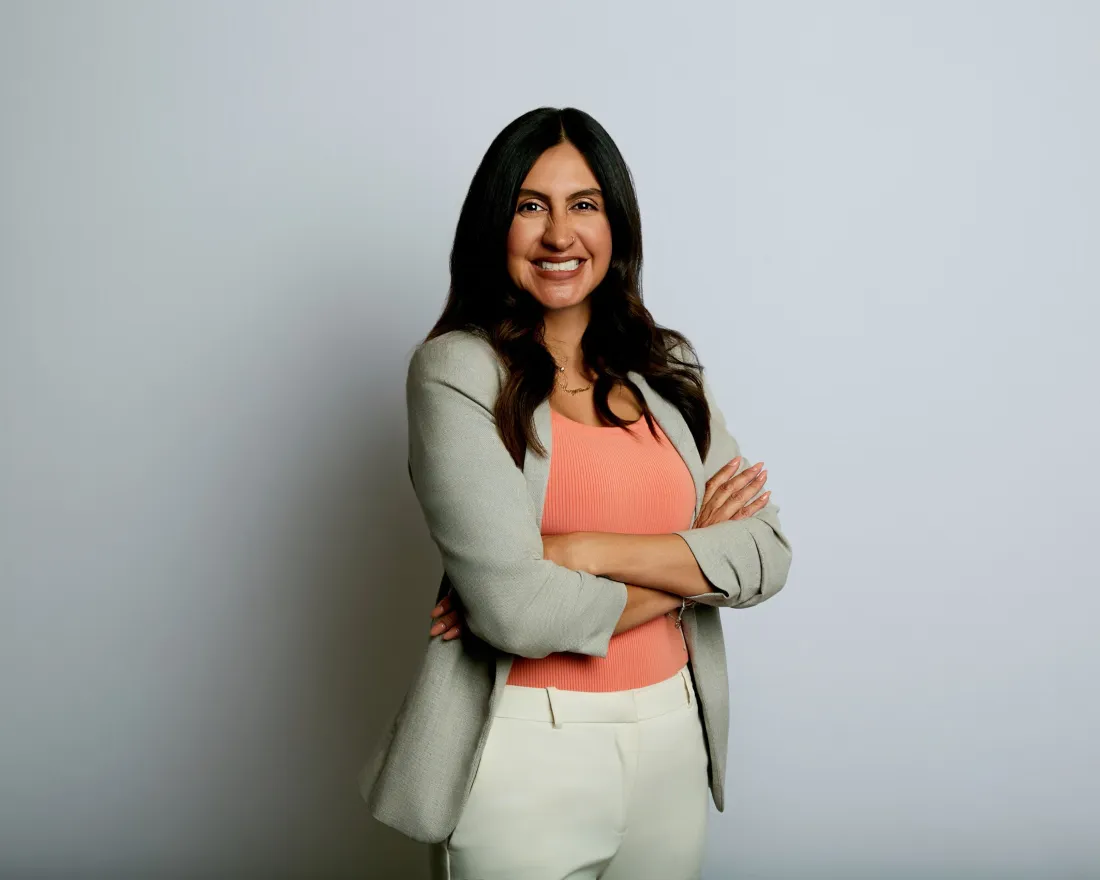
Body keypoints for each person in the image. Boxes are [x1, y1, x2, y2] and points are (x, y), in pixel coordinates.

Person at [360, 107, 792, 880]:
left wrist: (582, 551)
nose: (561, 234)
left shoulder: (668, 368)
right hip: (523, 747)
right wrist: (696, 569)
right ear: (497, 226)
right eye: (532, 206)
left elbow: (766, 554)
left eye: (584, 204)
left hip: (673, 735)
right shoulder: (457, 372)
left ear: (616, 224)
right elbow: (516, 613)